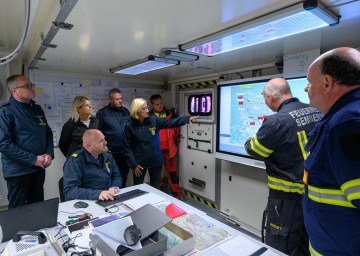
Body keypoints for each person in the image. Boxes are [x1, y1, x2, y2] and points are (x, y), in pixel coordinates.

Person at [244, 78, 322, 255]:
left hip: (285, 201)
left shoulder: (276, 121)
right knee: (306, 244)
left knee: (280, 247)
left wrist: (248, 142)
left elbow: (256, 150)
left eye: (264, 97)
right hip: (313, 195)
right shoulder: (316, 111)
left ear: (270, 97)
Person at [302, 47, 360, 255]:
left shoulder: (348, 124)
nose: (306, 89)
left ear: (327, 83)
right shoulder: (342, 118)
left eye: (309, 82)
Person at [0, 75, 54, 208]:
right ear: (14, 91)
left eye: (32, 85)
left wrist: (49, 153)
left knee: (37, 207)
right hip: (18, 171)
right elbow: (3, 143)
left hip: (38, 169)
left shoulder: (37, 109)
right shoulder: (5, 111)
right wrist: (32, 159)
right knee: (18, 211)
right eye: (27, 86)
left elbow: (47, 133)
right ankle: (15, 230)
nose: (32, 88)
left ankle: (36, 229)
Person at [124, 98, 197, 189]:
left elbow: (171, 122)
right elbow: (127, 147)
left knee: (155, 187)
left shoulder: (154, 120)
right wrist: (133, 164)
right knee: (138, 187)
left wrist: (186, 119)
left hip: (155, 160)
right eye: (144, 109)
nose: (147, 110)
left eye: (147, 107)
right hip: (139, 163)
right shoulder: (129, 125)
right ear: (137, 110)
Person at [63, 129, 122, 201]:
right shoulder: (75, 161)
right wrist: (97, 194)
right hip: (89, 201)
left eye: (104, 139)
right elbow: (70, 191)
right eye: (101, 141)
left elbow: (117, 176)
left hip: (109, 198)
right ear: (89, 146)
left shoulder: (107, 156)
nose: (106, 142)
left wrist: (114, 187)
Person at [96, 88, 130, 188]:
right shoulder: (102, 113)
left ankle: (121, 199)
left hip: (125, 153)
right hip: (110, 153)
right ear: (110, 100)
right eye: (117, 99)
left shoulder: (126, 112)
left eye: (121, 98)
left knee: (123, 178)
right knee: (109, 178)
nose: (120, 101)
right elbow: (97, 132)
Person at [149, 94, 181, 198]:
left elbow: (177, 130)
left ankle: (176, 194)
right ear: (152, 105)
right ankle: (158, 194)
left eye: (161, 103)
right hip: (155, 151)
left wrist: (173, 141)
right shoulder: (148, 116)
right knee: (156, 175)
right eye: (157, 104)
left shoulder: (171, 114)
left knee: (172, 174)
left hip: (169, 150)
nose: (160, 106)